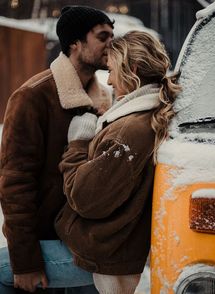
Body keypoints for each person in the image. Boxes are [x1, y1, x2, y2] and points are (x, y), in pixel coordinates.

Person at [55, 30, 181, 294]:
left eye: (111, 70)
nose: (109, 81)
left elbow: (84, 197)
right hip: (114, 247)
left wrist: (78, 144)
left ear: (132, 69)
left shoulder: (130, 131)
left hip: (102, 256)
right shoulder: (146, 116)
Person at [0, 5, 114, 294]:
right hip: (45, 245)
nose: (111, 45)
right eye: (103, 37)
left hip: (87, 242)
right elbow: (15, 185)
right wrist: (25, 262)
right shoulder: (31, 97)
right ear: (75, 43)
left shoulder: (107, 100)